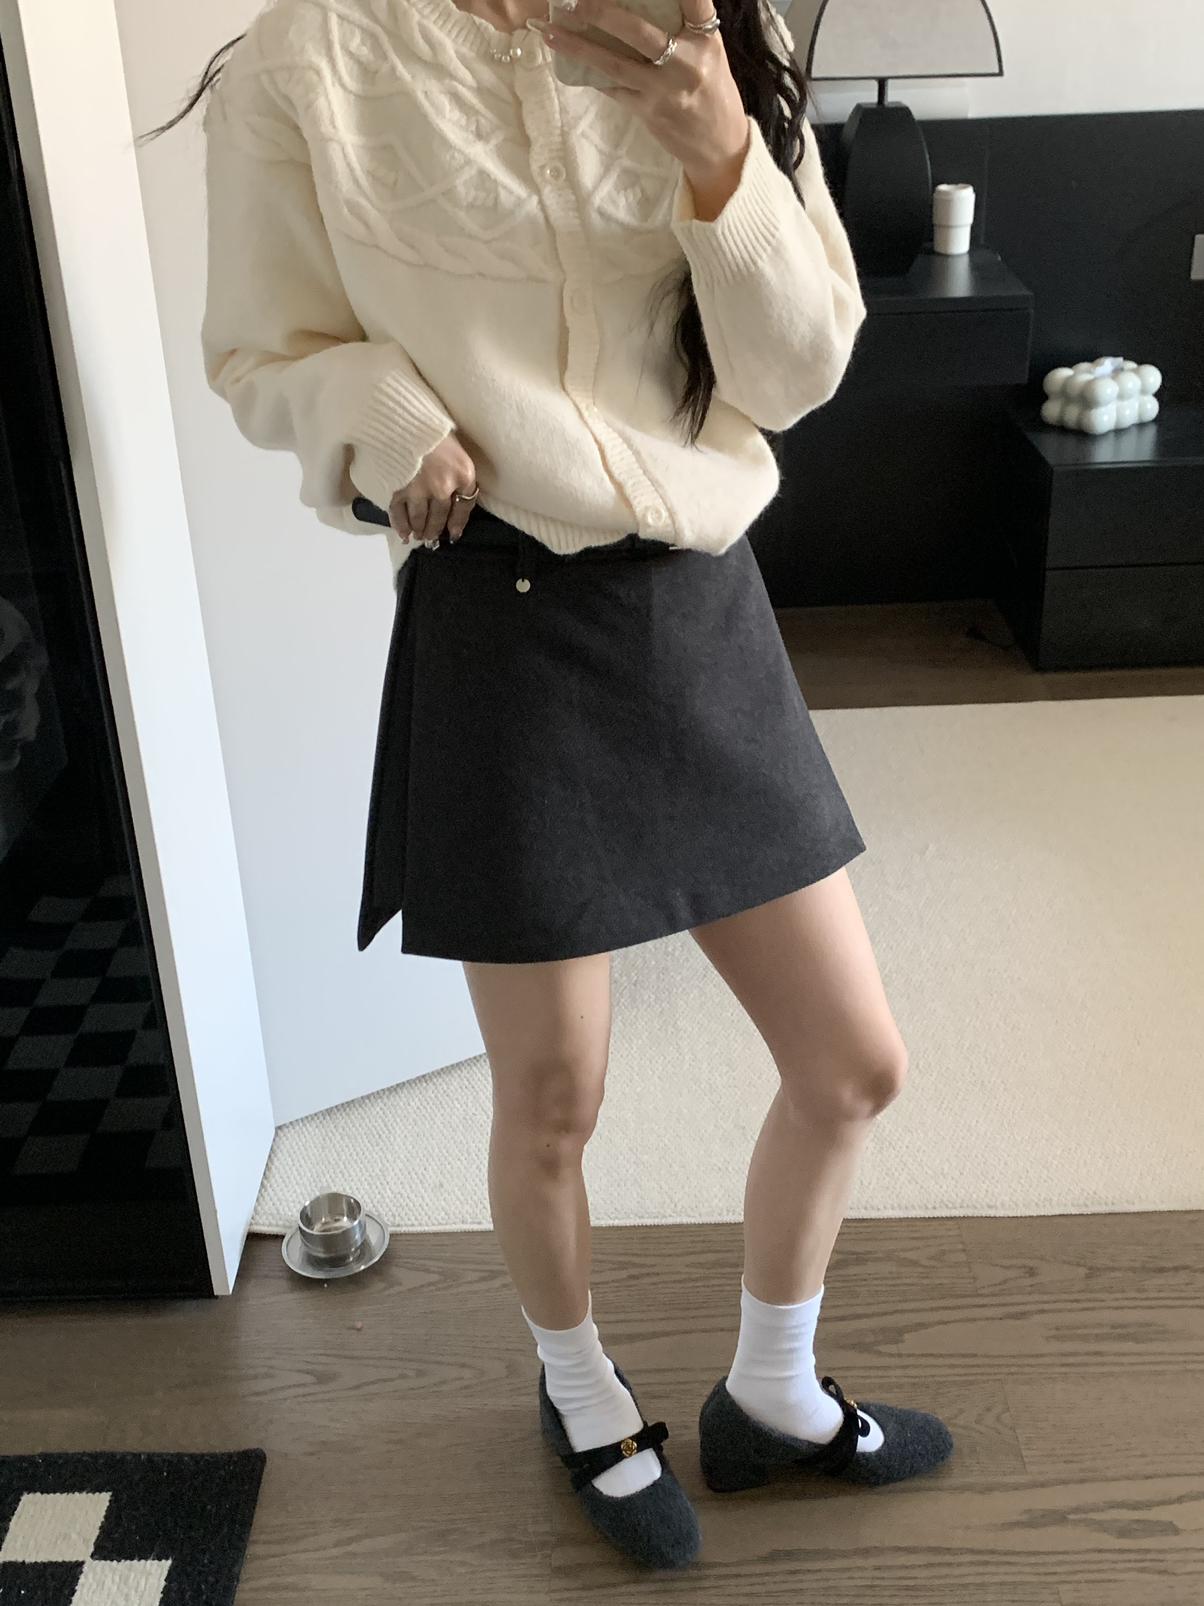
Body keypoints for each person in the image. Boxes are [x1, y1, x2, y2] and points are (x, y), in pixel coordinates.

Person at [146, 0, 952, 1570]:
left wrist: (723, 158)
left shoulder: (715, 25)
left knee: (854, 1062)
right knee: (556, 1094)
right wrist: (378, 417)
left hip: (699, 598)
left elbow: (794, 373)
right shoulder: (308, 63)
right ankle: (582, 1395)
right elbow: (258, 350)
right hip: (502, 619)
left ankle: (772, 1391)